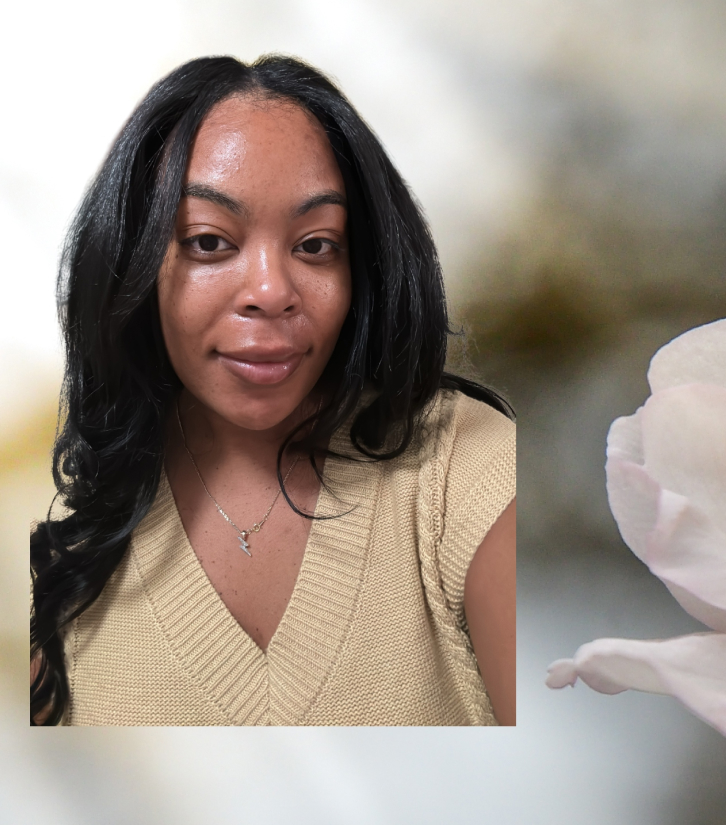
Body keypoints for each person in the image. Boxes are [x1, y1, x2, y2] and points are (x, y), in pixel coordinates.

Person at [30, 55, 516, 726]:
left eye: (317, 245)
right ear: (130, 264)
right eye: (208, 242)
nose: (271, 292)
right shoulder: (56, 557)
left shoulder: (469, 464)